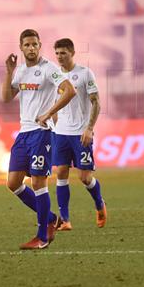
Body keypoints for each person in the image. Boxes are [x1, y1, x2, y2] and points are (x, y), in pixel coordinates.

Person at [3, 29, 76, 250]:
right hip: (24, 133)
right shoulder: (21, 71)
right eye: (27, 45)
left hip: (42, 132)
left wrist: (48, 113)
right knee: (13, 184)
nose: (31, 48)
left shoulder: (48, 69)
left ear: (39, 45)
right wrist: (9, 72)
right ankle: (52, 218)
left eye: (35, 44)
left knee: (37, 182)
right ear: (21, 47)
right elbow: (6, 98)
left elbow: (69, 91)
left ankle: (42, 236)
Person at [50, 38, 106, 231]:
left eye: (63, 53)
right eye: (57, 53)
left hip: (81, 133)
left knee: (84, 178)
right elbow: (54, 102)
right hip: (61, 133)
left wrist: (89, 128)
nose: (59, 57)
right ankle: (65, 220)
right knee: (61, 173)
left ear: (72, 53)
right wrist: (55, 125)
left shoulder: (84, 73)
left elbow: (96, 102)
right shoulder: (55, 76)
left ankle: (99, 204)